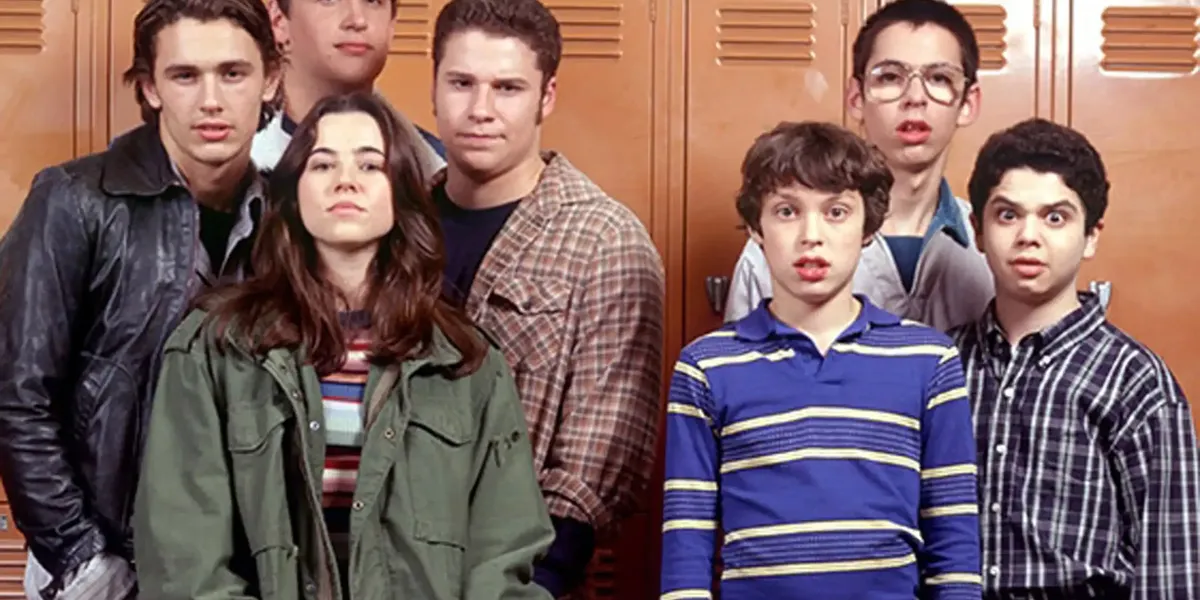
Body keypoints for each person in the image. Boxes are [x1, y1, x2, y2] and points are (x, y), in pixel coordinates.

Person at [133, 91, 555, 600]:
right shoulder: (215, 348)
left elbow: (502, 560)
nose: (345, 180)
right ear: (294, 193)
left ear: (402, 192)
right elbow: (185, 564)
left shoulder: (465, 362)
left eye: (370, 165)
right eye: (322, 164)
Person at [0, 0, 281, 597]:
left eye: (233, 73)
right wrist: (82, 560)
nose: (211, 100)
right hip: (103, 558)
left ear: (271, 80)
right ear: (151, 88)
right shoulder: (74, 200)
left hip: (237, 571)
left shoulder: (290, 217)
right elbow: (17, 396)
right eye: (185, 76)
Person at [661, 121, 982, 600]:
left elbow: (953, 536)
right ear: (756, 227)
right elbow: (687, 536)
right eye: (787, 211)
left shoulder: (929, 361)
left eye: (836, 212)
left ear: (869, 227)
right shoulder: (706, 367)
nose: (811, 236)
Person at [429, 0, 666, 595]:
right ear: (433, 87)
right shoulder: (394, 224)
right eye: (461, 83)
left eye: (508, 88)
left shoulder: (604, 239)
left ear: (546, 96)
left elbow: (602, 455)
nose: (480, 109)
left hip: (523, 573)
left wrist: (533, 585)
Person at [950, 117, 1200, 600]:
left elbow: (1171, 569)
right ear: (978, 230)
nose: (1028, 235)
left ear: (1091, 236)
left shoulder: (1135, 381)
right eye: (1007, 215)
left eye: (1055, 217)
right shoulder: (940, 365)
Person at [724, 0, 993, 331]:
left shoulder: (994, 245)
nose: (915, 97)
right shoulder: (779, 244)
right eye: (890, 77)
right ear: (856, 97)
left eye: (939, 78)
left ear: (967, 103)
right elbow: (738, 358)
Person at [253, 0, 445, 174]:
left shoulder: (439, 171)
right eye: (329, 1)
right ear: (278, 20)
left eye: (372, 1)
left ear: (392, 24)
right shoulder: (243, 165)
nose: (357, 20)